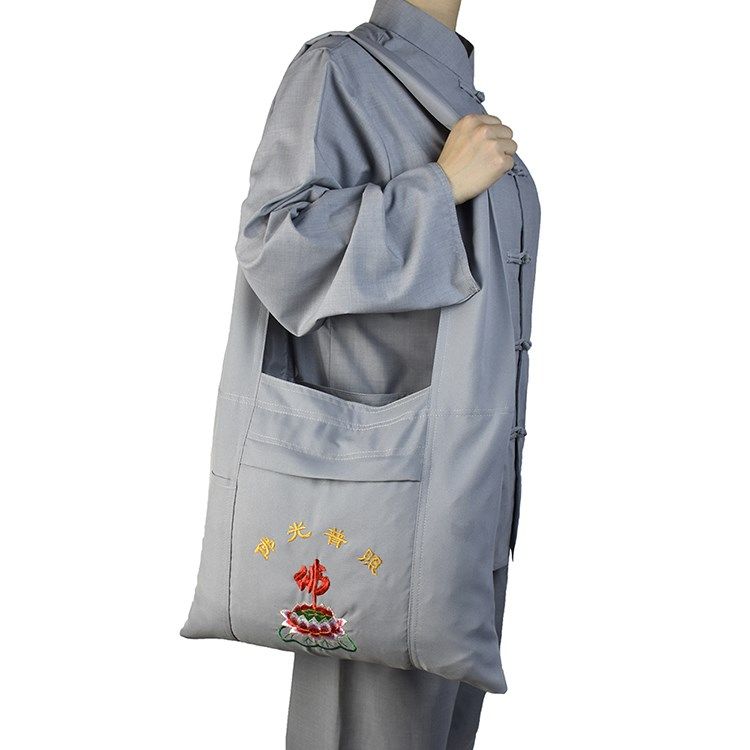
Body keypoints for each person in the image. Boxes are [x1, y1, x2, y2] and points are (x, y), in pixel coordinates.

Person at [230, 0, 539, 747]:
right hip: (373, 494)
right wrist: (438, 189)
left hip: (466, 492)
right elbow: (274, 246)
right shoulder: (339, 70)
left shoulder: (451, 88)